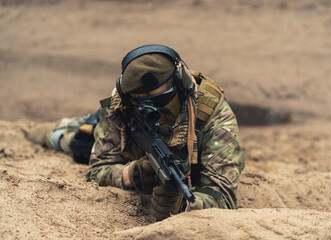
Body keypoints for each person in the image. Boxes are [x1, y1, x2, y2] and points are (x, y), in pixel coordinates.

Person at [27, 44, 245, 221]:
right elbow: (97, 170)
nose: (156, 113)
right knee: (75, 142)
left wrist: (186, 205)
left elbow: (223, 196)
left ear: (182, 86)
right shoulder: (121, 106)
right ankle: (58, 129)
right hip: (124, 145)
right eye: (143, 106)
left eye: (161, 101)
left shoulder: (214, 118)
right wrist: (131, 175)